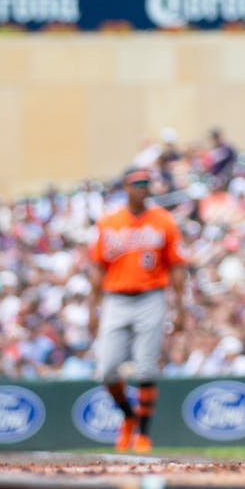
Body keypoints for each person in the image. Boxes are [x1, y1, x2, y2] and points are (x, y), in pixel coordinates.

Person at [88, 169, 188, 453]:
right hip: (115, 297)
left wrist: (180, 308)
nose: (142, 189)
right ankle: (129, 418)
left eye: (146, 184)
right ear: (126, 188)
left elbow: (178, 267)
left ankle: (143, 435)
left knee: (145, 367)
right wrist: (91, 310)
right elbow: (97, 268)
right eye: (137, 184)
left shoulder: (163, 221)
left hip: (151, 296)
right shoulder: (109, 222)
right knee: (107, 369)